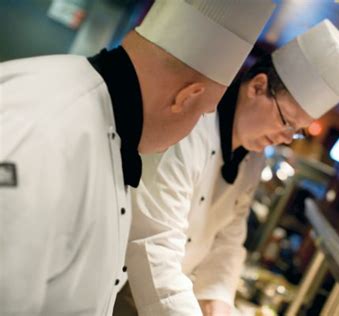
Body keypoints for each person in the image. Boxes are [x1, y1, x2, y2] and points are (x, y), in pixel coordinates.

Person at [0, 0, 275, 315]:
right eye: (203, 114)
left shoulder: (108, 130)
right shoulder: (42, 132)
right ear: (186, 98)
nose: (196, 131)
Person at [120, 20, 339, 316]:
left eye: (297, 131)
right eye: (287, 121)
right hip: (124, 289)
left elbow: (229, 237)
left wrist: (219, 300)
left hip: (173, 296)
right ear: (258, 87)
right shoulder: (190, 128)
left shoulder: (254, 157)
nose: (286, 138)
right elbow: (153, 243)